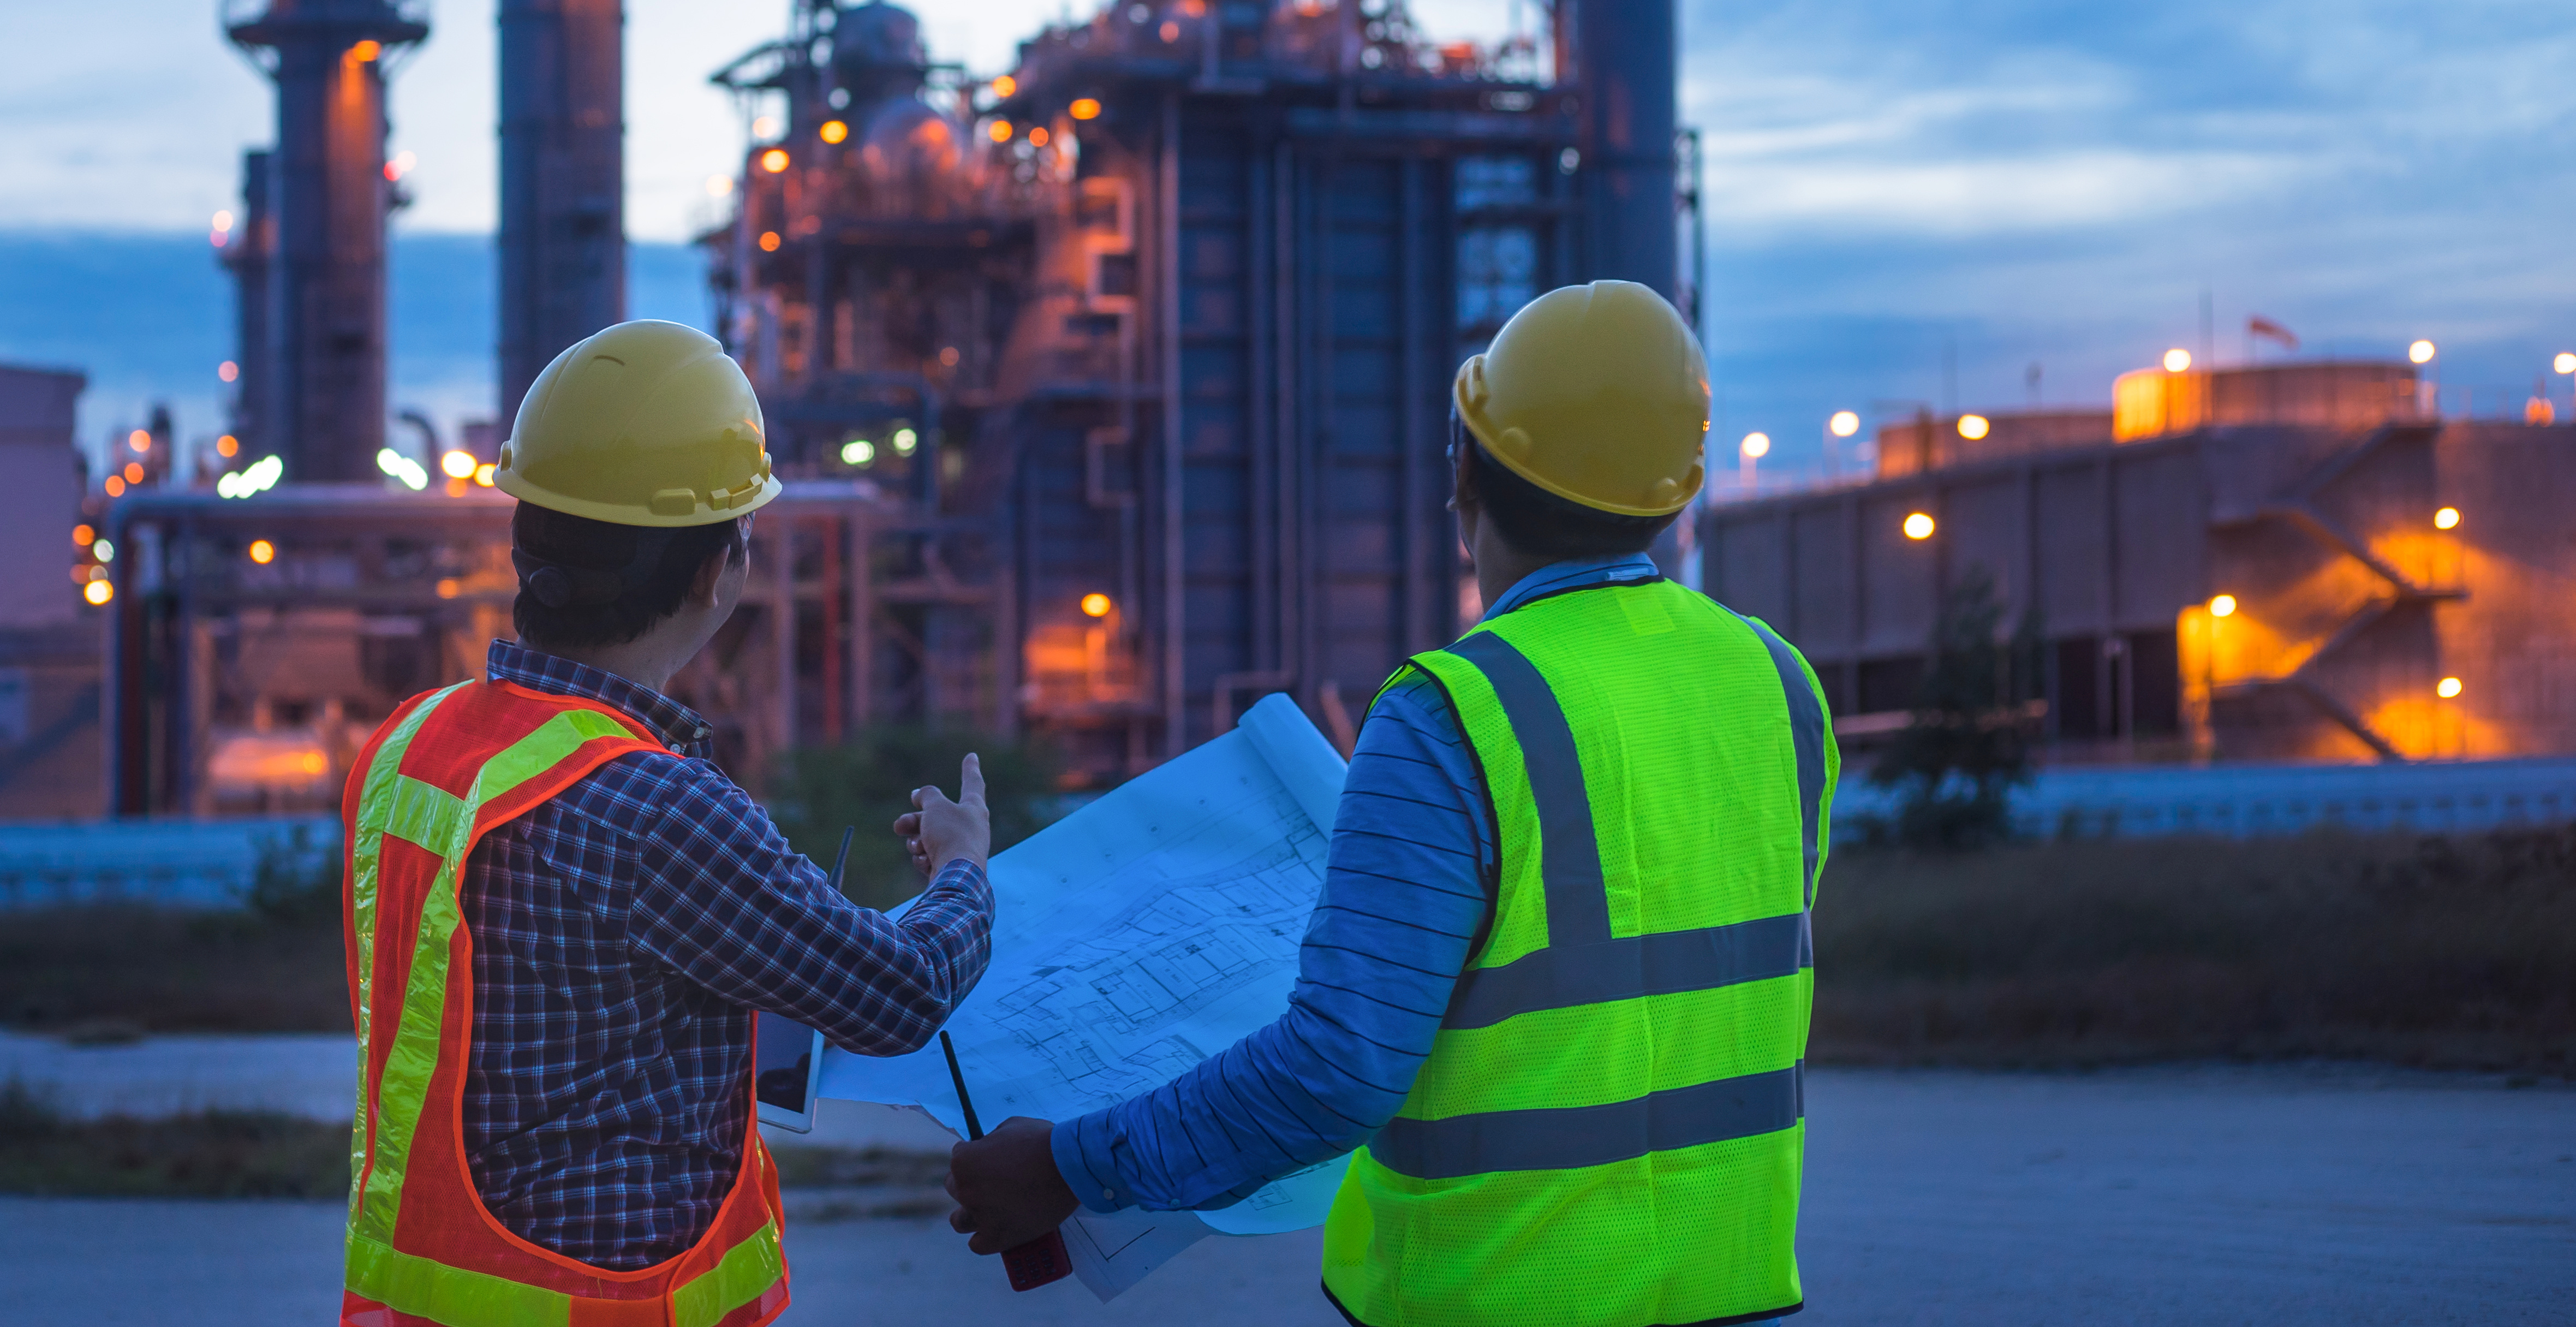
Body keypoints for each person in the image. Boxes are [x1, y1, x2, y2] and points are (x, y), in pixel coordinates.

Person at [945, 280, 1838, 1327]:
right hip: (1728, 1288)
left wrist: (1066, 1165)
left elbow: (1338, 1067)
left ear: (1464, 471)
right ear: (1678, 490)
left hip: (1498, 1296)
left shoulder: (1455, 712)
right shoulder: (1779, 685)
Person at [338, 319, 994, 1327]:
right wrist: (962, 870)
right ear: (712, 573)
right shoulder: (655, 810)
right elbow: (898, 996)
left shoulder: (414, 747)